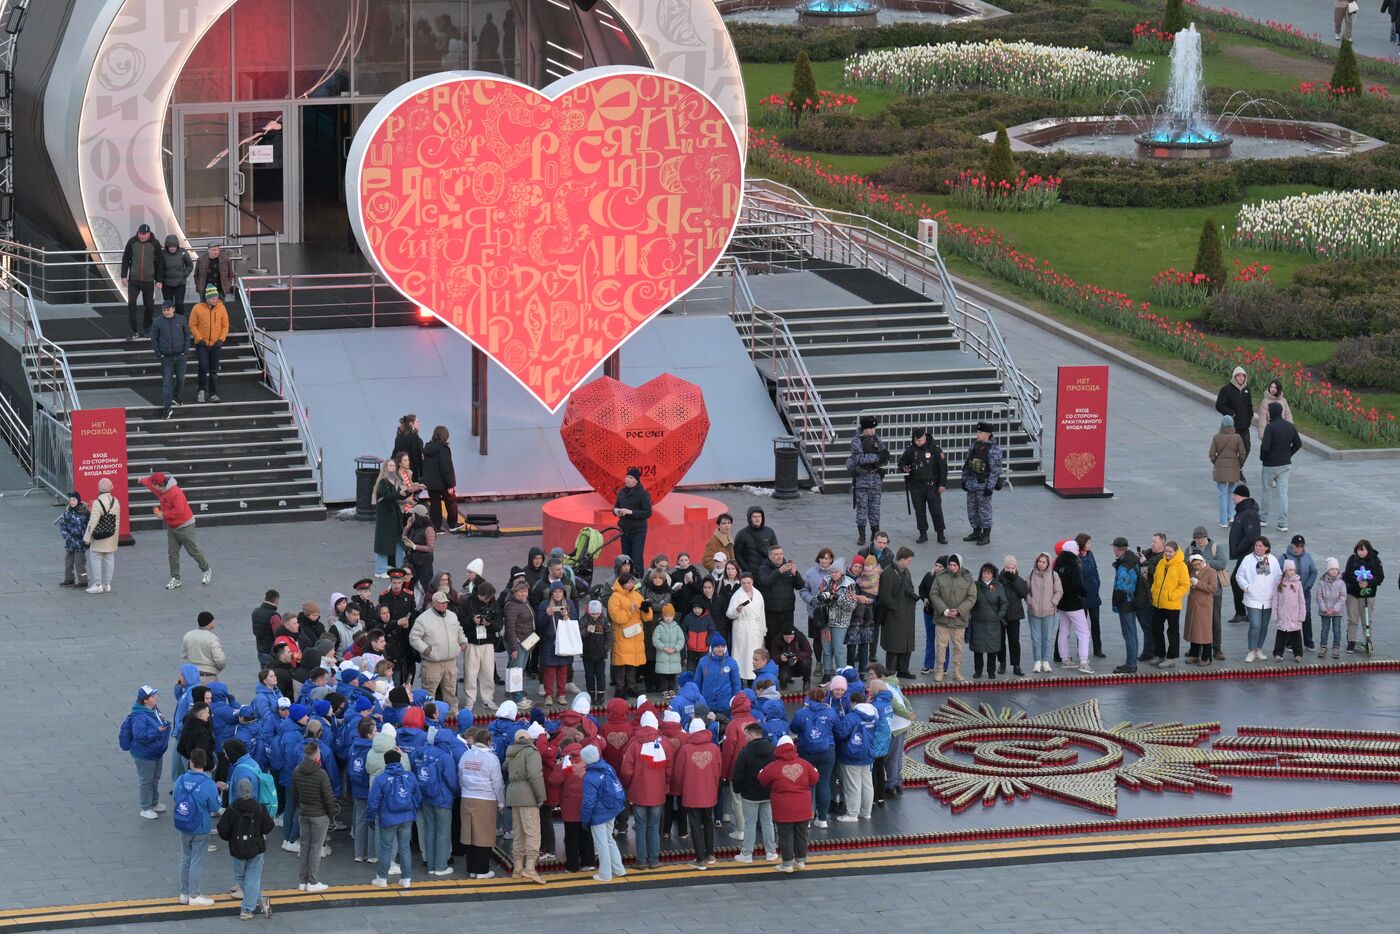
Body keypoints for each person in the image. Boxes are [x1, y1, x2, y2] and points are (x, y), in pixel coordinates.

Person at [140, 470, 211, 590]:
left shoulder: (175, 492)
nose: (152, 486)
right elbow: (150, 485)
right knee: (172, 553)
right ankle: (176, 578)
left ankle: (206, 569)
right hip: (172, 527)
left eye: (153, 484)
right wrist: (141, 480)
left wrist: (163, 514)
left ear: (158, 484)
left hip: (185, 526)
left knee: (192, 551)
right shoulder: (160, 490)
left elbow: (179, 511)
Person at [217, 777, 275, 919]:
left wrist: (231, 837)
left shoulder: (232, 808)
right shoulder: (259, 807)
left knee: (240, 876)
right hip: (256, 848)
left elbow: (222, 829)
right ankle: (259, 899)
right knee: (252, 879)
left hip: (238, 849)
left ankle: (247, 909)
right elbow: (268, 827)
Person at [759, 735, 818, 873]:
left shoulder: (773, 766)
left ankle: (787, 864)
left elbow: (762, 778)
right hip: (803, 807)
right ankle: (801, 861)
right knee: (801, 834)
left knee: (785, 836)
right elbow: (815, 778)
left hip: (783, 808)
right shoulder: (804, 764)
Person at [620, 710, 671, 870]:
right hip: (658, 793)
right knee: (654, 826)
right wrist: (665, 785)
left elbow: (626, 769)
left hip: (639, 792)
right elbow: (669, 770)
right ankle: (654, 860)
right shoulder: (665, 743)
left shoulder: (634, 744)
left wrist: (629, 784)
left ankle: (641, 861)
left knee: (640, 827)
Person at [171, 747, 222, 907]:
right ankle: (195, 894)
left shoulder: (181, 779)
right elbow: (215, 807)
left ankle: (184, 894)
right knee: (196, 861)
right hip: (201, 827)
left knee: (185, 858)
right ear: (205, 763)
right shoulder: (208, 784)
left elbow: (177, 798)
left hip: (183, 824)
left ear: (191, 763)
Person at [367, 748, 421, 888]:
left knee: (386, 848)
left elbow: (373, 802)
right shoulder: (410, 776)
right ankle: (406, 878)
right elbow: (417, 796)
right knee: (405, 848)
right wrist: (413, 810)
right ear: (399, 760)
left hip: (388, 818)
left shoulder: (381, 779)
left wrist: (371, 818)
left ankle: (382, 878)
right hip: (407, 817)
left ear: (385, 762)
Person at [458, 727, 505, 879]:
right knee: (483, 834)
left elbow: (460, 776)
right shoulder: (492, 758)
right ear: (489, 741)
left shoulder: (466, 754)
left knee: (470, 833)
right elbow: (497, 783)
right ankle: (482, 870)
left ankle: (471, 869)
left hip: (466, 798)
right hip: (486, 799)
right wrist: (501, 802)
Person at [676, 718, 722, 868]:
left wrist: (680, 789)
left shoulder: (685, 749)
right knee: (708, 822)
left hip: (691, 793)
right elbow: (719, 769)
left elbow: (679, 774)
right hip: (709, 791)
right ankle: (710, 854)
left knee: (695, 825)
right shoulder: (714, 748)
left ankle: (699, 858)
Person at [729, 720, 777, 863]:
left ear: (751, 735)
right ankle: (771, 852)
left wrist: (738, 789)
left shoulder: (745, 752)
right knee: (768, 822)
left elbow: (738, 774)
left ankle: (747, 853)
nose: (745, 738)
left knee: (749, 823)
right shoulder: (773, 749)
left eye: (746, 735)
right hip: (768, 792)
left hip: (750, 794)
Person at [120, 685, 172, 818]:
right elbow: (139, 735)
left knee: (155, 778)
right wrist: (157, 731)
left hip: (155, 751)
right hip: (145, 754)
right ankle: (146, 807)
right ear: (145, 700)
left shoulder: (153, 710)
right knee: (146, 780)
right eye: (152, 696)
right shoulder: (140, 716)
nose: (155, 698)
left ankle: (154, 803)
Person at [579, 743, 628, 881]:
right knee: (609, 839)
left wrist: (584, 819)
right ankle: (619, 869)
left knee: (601, 843)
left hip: (599, 814)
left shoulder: (590, 777)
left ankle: (605, 874)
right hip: (611, 809)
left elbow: (588, 802)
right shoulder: (607, 767)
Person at [411, 590, 467, 707]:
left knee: (451, 693)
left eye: (445, 602)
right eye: (441, 603)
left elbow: (459, 630)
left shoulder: (452, 616)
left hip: (450, 661)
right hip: (432, 663)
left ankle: (452, 715)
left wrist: (463, 641)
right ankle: (429, 717)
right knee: (429, 693)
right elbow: (414, 638)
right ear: (434, 603)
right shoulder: (423, 619)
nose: (444, 605)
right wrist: (426, 650)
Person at [293, 742, 336, 892]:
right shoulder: (321, 774)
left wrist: (302, 807)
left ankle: (302, 881)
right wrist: (331, 814)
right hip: (319, 815)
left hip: (304, 813)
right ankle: (312, 881)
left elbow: (295, 795)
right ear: (316, 755)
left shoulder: (297, 771)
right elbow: (328, 798)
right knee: (316, 848)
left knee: (304, 846)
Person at [505, 729, 547, 883]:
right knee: (532, 833)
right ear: (529, 738)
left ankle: (517, 868)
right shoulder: (531, 752)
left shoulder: (511, 753)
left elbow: (505, 769)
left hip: (513, 796)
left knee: (519, 833)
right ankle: (530, 868)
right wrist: (541, 795)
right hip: (528, 797)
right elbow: (535, 775)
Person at [899, 426, 948, 545]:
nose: (917, 442)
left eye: (919, 440)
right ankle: (922, 533)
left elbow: (943, 468)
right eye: (915, 440)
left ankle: (940, 534)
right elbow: (901, 463)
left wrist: (942, 484)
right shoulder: (910, 450)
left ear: (924, 437)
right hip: (916, 486)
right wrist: (904, 468)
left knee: (936, 510)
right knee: (919, 511)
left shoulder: (935, 449)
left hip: (932, 485)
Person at [930, 555, 976, 682]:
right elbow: (934, 594)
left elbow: (972, 597)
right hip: (942, 619)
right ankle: (939, 671)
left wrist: (959, 611)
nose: (952, 567)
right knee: (941, 646)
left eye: (955, 565)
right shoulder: (940, 577)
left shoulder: (967, 578)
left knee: (958, 647)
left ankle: (957, 671)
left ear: (960, 565)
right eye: (950, 564)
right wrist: (944, 610)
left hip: (959, 620)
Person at [1187, 526, 1230, 662]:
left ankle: (1216, 648)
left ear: (1206, 537)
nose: (1199, 541)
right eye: (1197, 538)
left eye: (1201, 538)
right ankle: (1196, 647)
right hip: (1197, 592)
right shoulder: (1189, 549)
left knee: (1215, 620)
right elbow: (1184, 564)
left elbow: (1222, 563)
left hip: (1214, 592)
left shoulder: (1215, 547)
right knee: (1197, 621)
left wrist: (1203, 562)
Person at [1258, 402, 1301, 533]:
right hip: (1285, 464)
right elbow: (1298, 443)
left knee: (1267, 491)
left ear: (1271, 412)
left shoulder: (1270, 428)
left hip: (1270, 464)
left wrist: (1263, 457)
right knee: (1283, 494)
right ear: (1281, 412)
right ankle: (1283, 523)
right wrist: (1288, 454)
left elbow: (1265, 447)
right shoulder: (1290, 426)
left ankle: (1263, 519)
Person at [1237, 536, 1282, 662]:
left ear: (1266, 547)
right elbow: (1239, 576)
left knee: (1264, 626)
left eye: (1261, 546)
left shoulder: (1272, 560)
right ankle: (1251, 650)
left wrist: (1277, 592)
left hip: (1268, 599)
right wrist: (1247, 587)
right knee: (1255, 625)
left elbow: (1278, 576)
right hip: (1253, 598)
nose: (1258, 548)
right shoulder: (1247, 559)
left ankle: (1258, 649)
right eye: (1256, 545)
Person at [847, 414, 889, 546]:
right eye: (870, 429)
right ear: (864, 428)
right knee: (862, 509)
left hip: (875, 479)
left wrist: (881, 457)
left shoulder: (876, 439)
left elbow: (884, 456)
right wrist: (877, 457)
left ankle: (875, 534)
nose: (873, 431)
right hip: (862, 480)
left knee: (875, 509)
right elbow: (859, 459)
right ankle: (862, 535)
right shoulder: (856, 441)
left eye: (874, 428)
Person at [608, 574, 651, 698]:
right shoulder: (615, 597)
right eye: (627, 582)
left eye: (631, 582)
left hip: (636, 635)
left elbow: (647, 618)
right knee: (621, 664)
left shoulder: (637, 595)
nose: (630, 584)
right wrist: (630, 610)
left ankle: (631, 687)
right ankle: (619, 689)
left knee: (633, 663)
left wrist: (646, 609)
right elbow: (617, 617)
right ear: (621, 584)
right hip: (622, 635)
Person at [877, 546, 918, 677]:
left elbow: (910, 586)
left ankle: (903, 669)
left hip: (907, 613)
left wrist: (911, 593)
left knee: (906, 644)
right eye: (909, 560)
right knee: (894, 645)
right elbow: (885, 596)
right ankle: (891, 670)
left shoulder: (906, 572)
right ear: (902, 559)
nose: (910, 563)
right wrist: (896, 608)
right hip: (894, 615)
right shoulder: (888, 573)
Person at [1148, 540, 1190, 668]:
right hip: (1158, 603)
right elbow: (1155, 580)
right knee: (1156, 629)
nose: (1167, 554)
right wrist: (1153, 593)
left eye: (1170, 552)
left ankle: (1171, 657)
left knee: (1172, 631)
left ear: (1176, 552)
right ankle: (1160, 654)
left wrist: (1171, 595)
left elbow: (1185, 585)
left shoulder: (1181, 566)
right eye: (1166, 551)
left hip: (1172, 604)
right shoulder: (1161, 562)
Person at [961, 421, 1003, 546]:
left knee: (984, 510)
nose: (977, 435)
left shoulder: (993, 450)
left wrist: (990, 487)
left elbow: (995, 471)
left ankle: (986, 534)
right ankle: (976, 531)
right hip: (972, 483)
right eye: (977, 432)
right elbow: (967, 464)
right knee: (972, 509)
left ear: (988, 434)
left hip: (983, 484)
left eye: (980, 432)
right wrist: (964, 479)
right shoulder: (974, 446)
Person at [834, 702, 878, 822]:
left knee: (853, 785)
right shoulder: (874, 715)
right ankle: (866, 812)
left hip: (852, 756)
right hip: (868, 754)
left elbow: (842, 733)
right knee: (867, 784)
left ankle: (852, 814)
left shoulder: (852, 717)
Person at [1054, 540, 1093, 673]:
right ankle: (1084, 661)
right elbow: (1077, 584)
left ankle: (1065, 659)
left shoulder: (1058, 563)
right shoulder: (1073, 563)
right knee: (1083, 632)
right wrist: (1083, 594)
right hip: (1074, 603)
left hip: (1062, 603)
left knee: (1064, 630)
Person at [150, 298, 190, 419]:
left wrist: (185, 351)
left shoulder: (181, 319)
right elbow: (154, 339)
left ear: (173, 309)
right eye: (164, 310)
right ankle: (167, 408)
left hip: (180, 355)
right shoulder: (157, 322)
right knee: (167, 383)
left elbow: (187, 335)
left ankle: (176, 396)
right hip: (166, 357)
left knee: (181, 379)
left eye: (168, 309)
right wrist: (159, 354)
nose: (166, 312)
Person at [188, 284, 228, 404]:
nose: (215, 300)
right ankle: (201, 390)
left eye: (216, 298)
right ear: (206, 298)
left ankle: (213, 393)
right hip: (202, 344)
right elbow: (192, 325)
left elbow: (225, 326)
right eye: (212, 298)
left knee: (214, 370)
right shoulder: (197, 308)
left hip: (216, 344)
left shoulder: (221, 308)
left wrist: (221, 340)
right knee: (203, 366)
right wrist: (200, 339)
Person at [1227, 485, 1261, 622]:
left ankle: (1243, 612)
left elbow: (1251, 536)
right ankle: (1245, 611)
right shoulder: (1243, 511)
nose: (1233, 497)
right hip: (1245, 553)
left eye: (1235, 495)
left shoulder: (1249, 513)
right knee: (1242, 581)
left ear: (1241, 496)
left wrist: (1238, 548)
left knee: (1236, 580)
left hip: (1248, 554)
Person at [1343, 540, 1384, 653]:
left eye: (1362, 550)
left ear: (1368, 550)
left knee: (1367, 620)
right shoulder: (1352, 559)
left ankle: (1368, 641)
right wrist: (1358, 583)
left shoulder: (1375, 559)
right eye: (1358, 550)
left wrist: (1368, 583)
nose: (1360, 552)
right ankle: (1351, 641)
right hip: (1353, 593)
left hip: (1368, 594)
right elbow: (1346, 575)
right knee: (1352, 618)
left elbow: (1380, 577)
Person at [1025, 551, 1062, 674]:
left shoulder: (1053, 575)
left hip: (1049, 612)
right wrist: (1029, 601)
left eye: (1044, 562)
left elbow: (1059, 591)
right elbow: (1026, 590)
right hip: (1033, 611)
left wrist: (1053, 603)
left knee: (1046, 638)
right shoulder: (1031, 574)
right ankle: (1037, 661)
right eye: (1039, 561)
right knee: (1035, 638)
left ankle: (1045, 661)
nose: (1041, 564)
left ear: (1048, 563)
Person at [371, 459, 410, 577]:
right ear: (386, 468)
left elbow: (399, 495)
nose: (393, 468)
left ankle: (400, 567)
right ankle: (380, 570)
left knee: (398, 541)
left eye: (394, 466)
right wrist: (400, 494)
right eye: (390, 466)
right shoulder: (383, 482)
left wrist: (411, 490)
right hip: (385, 518)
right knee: (384, 543)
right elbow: (388, 497)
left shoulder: (394, 481)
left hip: (393, 517)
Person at [82, 477, 121, 594]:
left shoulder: (97, 503)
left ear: (99, 488)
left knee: (95, 557)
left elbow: (92, 522)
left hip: (99, 536)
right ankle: (107, 584)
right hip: (112, 535)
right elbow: (117, 521)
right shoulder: (116, 501)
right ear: (111, 487)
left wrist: (87, 538)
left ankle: (97, 584)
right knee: (109, 558)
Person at [121, 223, 160, 339]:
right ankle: (134, 330)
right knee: (131, 304)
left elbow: (159, 263)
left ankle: (147, 328)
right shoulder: (132, 242)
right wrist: (124, 275)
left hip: (149, 281)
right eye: (140, 234)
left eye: (144, 234)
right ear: (138, 233)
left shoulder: (155, 243)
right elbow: (125, 259)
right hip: (134, 280)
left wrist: (159, 280)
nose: (142, 236)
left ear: (149, 234)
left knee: (149, 306)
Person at [969, 562, 1007, 679]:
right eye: (984, 573)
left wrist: (999, 616)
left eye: (988, 573)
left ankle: (991, 672)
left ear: (993, 575)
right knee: (978, 649)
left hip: (993, 623)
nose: (986, 575)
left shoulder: (998, 586)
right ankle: (978, 671)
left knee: (992, 649)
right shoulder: (975, 585)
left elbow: (1004, 603)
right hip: (978, 622)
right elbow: (970, 600)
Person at [757, 545, 803, 640]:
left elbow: (800, 585)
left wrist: (795, 574)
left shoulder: (788, 568)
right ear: (770, 557)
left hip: (788, 611)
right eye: (776, 554)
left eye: (781, 554)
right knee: (772, 639)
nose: (779, 556)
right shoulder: (764, 568)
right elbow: (766, 582)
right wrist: (779, 571)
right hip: (771, 612)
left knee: (788, 639)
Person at [727, 572, 767, 682]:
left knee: (754, 654)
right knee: (741, 655)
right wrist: (737, 610)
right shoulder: (737, 595)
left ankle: (753, 680)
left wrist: (763, 630)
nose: (746, 585)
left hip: (755, 627)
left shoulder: (758, 594)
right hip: (742, 628)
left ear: (752, 582)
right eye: (743, 583)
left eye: (748, 583)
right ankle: (738, 680)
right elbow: (729, 614)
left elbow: (761, 613)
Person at [1109, 538, 1141, 674]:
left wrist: (1117, 600)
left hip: (1126, 603)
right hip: (1133, 601)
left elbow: (1121, 586)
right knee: (1132, 633)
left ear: (1117, 548)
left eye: (1114, 548)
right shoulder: (1133, 560)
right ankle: (1131, 662)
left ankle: (1131, 664)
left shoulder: (1124, 565)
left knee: (1128, 634)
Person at [1209, 414, 1246, 528]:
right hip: (1234, 468)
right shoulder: (1237, 437)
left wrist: (1216, 462)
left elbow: (1211, 454)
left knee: (1222, 494)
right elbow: (1243, 454)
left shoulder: (1216, 437)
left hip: (1220, 469)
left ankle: (1223, 521)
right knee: (1232, 494)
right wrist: (1239, 464)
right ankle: (1232, 516)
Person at [1183, 553, 1220, 665]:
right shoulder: (1193, 569)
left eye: (1198, 564)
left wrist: (1197, 583)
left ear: (1203, 561)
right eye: (1194, 565)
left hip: (1204, 605)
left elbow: (1213, 588)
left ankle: (1206, 657)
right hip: (1193, 603)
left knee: (1204, 631)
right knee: (1194, 630)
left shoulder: (1211, 571)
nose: (1196, 567)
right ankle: (1194, 654)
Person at [613, 467, 653, 567]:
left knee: (637, 558)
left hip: (638, 530)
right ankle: (627, 579)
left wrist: (630, 512)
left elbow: (647, 513)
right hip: (624, 529)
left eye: (631, 478)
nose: (628, 479)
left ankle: (639, 580)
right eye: (627, 477)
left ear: (636, 480)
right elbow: (616, 506)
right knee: (626, 558)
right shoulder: (622, 492)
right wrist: (615, 511)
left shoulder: (643, 494)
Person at [422, 426, 458, 533]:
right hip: (443, 482)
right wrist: (450, 484)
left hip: (431, 482)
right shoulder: (443, 449)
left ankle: (436, 527)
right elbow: (446, 468)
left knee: (435, 504)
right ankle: (452, 524)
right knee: (450, 501)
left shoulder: (428, 447)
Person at [997, 556, 1028, 676]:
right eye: (1008, 568)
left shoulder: (1019, 580)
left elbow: (1024, 593)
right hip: (1001, 615)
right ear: (1004, 567)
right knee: (1000, 641)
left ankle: (1016, 665)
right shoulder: (999, 579)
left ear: (1016, 567)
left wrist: (1014, 580)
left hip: (1015, 615)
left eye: (1013, 567)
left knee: (1014, 641)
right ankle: (1002, 663)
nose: (1010, 570)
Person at [1287, 535, 1319, 651]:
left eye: (1301, 546)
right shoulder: (1285, 558)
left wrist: (1308, 585)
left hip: (1305, 592)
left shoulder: (1308, 557)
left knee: (1306, 615)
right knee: (1291, 616)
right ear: (1292, 545)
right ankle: (1289, 642)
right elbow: (1280, 574)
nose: (1299, 548)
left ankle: (1308, 641)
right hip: (1290, 593)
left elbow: (1314, 572)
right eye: (1297, 546)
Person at [1215, 366, 1254, 462]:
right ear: (1234, 377)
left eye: (1242, 376)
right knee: (1230, 450)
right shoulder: (1226, 390)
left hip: (1244, 426)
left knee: (1246, 448)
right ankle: (1229, 469)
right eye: (1238, 376)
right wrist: (1231, 414)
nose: (1241, 378)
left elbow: (1249, 404)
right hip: (1231, 426)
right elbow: (1219, 405)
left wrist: (1250, 415)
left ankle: (1238, 468)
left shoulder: (1246, 389)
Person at [1077, 534, 1106, 659]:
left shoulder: (1090, 554)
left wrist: (1097, 583)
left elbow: (1095, 570)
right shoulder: (1076, 557)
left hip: (1093, 595)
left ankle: (1097, 648)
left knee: (1096, 623)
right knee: (1081, 626)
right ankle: (1081, 649)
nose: (1090, 545)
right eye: (1088, 543)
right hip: (1082, 597)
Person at [1272, 559, 1307, 663]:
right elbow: (1275, 599)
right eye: (1289, 570)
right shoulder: (1279, 583)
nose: (1292, 572)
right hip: (1283, 614)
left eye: (1293, 570)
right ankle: (1278, 653)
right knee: (1281, 635)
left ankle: (1298, 654)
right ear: (1285, 571)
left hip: (1294, 615)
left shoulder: (1298, 583)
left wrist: (1302, 614)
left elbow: (1301, 600)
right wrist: (1275, 613)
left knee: (1296, 635)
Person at [401, 503, 437, 597]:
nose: (411, 515)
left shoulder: (429, 529)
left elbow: (430, 547)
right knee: (408, 584)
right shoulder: (414, 526)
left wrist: (414, 546)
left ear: (418, 516)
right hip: (411, 561)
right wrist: (407, 526)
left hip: (424, 563)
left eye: (413, 514)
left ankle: (429, 603)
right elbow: (404, 538)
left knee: (427, 586)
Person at [181, 611, 226, 678]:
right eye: (213, 620)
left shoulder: (188, 635)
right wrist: (220, 667)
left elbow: (184, 654)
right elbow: (220, 660)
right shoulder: (212, 638)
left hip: (192, 675)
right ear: (209, 623)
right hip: (208, 675)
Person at [59, 491, 90, 588]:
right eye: (70, 500)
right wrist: (67, 537)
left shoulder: (84, 513)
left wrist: (86, 539)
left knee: (79, 562)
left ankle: (83, 580)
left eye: (74, 500)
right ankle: (69, 579)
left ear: (78, 500)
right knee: (68, 561)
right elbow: (63, 526)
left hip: (80, 543)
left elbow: (88, 526)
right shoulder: (66, 513)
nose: (72, 502)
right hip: (70, 542)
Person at [1317, 557, 1346, 659]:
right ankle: (1323, 646)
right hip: (1325, 611)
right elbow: (1319, 597)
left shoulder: (1341, 583)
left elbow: (1342, 597)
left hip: (1337, 612)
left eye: (1335, 569)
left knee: (1336, 629)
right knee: (1324, 629)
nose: (1334, 571)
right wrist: (1324, 608)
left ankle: (1336, 647)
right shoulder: (1322, 582)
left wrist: (1334, 609)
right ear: (1327, 570)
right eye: (1331, 569)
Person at [157, 234, 193, 316]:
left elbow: (190, 265)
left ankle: (180, 320)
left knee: (179, 304)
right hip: (167, 284)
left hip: (180, 283)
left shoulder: (183, 252)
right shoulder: (162, 253)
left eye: (174, 246)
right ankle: (169, 321)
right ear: (167, 246)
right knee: (168, 304)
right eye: (170, 246)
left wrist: (185, 274)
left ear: (177, 246)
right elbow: (158, 267)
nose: (172, 248)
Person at [392, 414, 424, 482]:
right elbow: (417, 458)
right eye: (417, 422)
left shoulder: (399, 437)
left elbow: (394, 454)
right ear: (411, 423)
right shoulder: (414, 437)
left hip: (399, 471)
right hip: (410, 472)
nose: (419, 424)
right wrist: (421, 473)